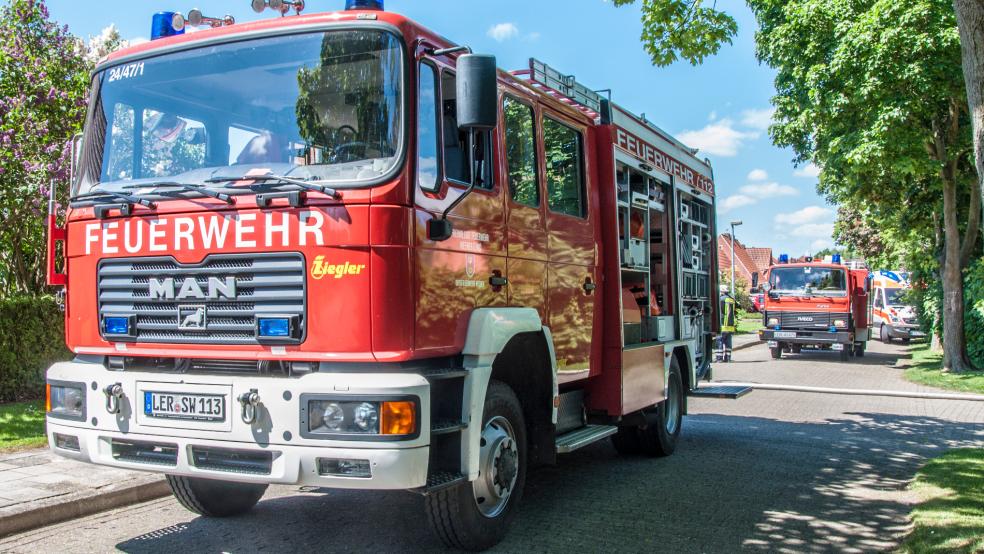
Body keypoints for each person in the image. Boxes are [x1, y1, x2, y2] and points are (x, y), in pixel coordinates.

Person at [718, 286, 737, 362]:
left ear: (721, 291)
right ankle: (728, 358)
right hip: (730, 325)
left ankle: (719, 358)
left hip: (722, 325)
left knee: (719, 341)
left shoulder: (721, 299)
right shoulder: (731, 299)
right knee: (728, 342)